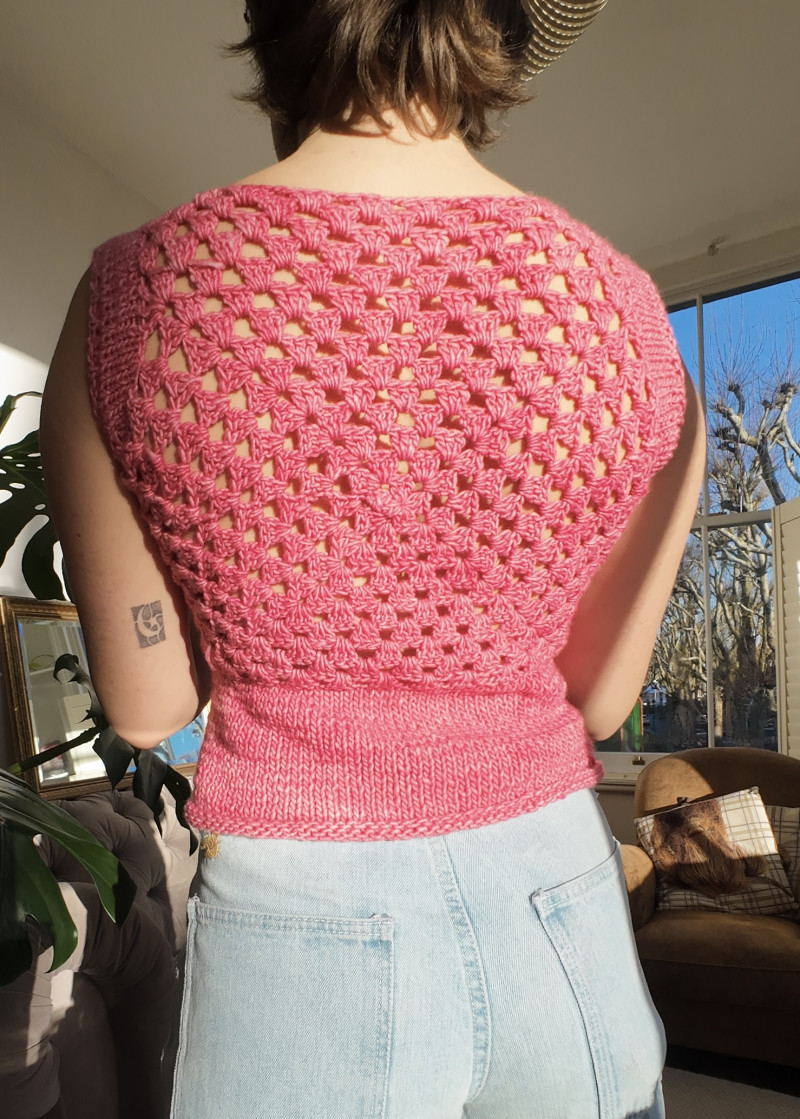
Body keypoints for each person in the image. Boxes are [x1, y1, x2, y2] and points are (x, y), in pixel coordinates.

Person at [39, 2, 705, 1117]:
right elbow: (596, 700)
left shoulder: (134, 296)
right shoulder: (627, 320)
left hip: (300, 919)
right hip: (557, 903)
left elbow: (149, 708)